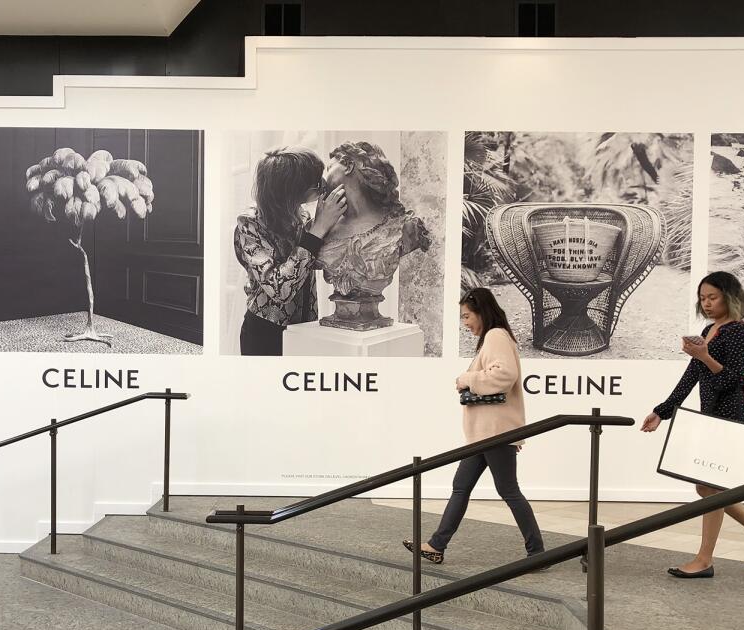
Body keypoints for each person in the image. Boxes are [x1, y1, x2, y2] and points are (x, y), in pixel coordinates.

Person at [642, 272, 744, 579]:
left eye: (712, 297)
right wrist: (662, 411)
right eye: (702, 298)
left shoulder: (737, 331)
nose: (706, 303)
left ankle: (706, 559)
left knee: (710, 487)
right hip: (711, 413)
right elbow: (691, 376)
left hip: (729, 414)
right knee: (708, 487)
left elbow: (728, 380)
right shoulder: (710, 330)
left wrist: (704, 356)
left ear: (729, 298)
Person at [403, 288, 545, 565]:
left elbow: (505, 374)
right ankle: (436, 545)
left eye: (467, 316)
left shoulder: (495, 336)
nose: (465, 322)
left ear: (481, 311)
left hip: (495, 432)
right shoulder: (495, 337)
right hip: (484, 433)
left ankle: (537, 552)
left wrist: (467, 378)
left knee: (508, 490)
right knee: (461, 486)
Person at [233, 147, 346, 355]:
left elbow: (318, 259)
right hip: (265, 334)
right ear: (291, 189)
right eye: (316, 182)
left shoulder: (301, 216)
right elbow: (279, 290)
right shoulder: (249, 224)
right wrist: (319, 228)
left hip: (305, 329)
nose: (322, 187)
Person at [317, 141, 430, 323]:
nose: (324, 179)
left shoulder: (403, 227)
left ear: (348, 165)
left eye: (329, 168)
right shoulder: (320, 228)